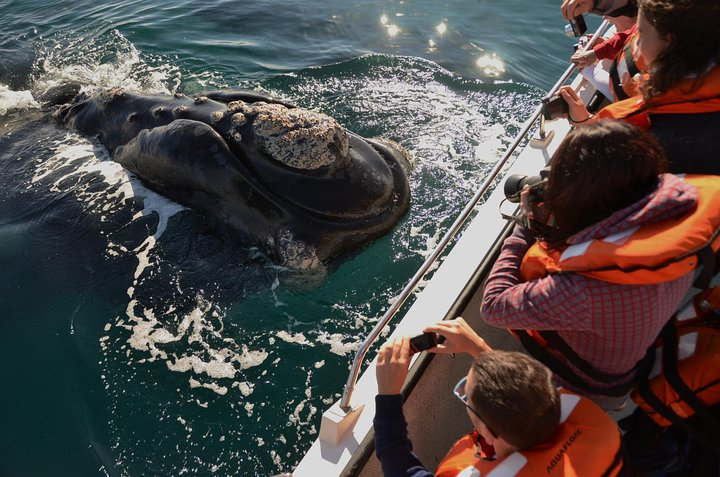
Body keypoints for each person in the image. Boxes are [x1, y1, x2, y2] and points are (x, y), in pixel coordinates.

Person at [479, 120, 720, 404]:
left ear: (580, 199)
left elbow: (493, 306)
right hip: (636, 348)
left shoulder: (580, 290)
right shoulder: (681, 221)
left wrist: (525, 226)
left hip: (587, 383)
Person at [373, 334, 626, 477]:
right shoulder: (590, 421)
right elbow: (524, 388)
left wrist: (387, 394)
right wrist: (479, 347)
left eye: (467, 397)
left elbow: (401, 468)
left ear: (490, 432)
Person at [561, 0, 720, 174]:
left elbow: (614, 168)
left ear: (670, 41)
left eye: (642, 35)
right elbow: (630, 35)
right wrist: (596, 53)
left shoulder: (670, 144)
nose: (635, 43)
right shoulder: (683, 58)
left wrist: (583, 122)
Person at [570, 0, 643, 101]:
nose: (604, 17)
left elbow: (624, 94)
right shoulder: (648, 27)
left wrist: (590, 72)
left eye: (613, 12)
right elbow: (630, 37)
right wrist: (598, 51)